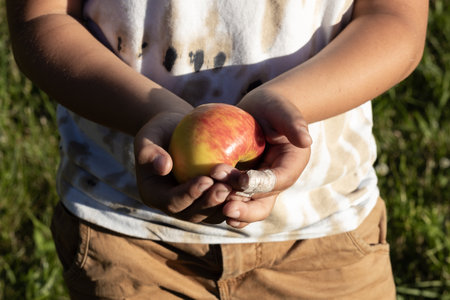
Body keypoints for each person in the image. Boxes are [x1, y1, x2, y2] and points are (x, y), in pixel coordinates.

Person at [6, 0, 428, 299]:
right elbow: (41, 19)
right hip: (129, 240)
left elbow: (393, 19)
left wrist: (289, 105)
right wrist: (154, 112)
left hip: (323, 236)